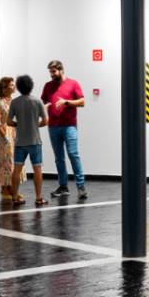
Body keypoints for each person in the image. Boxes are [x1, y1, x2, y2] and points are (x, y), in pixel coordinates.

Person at [41, 60, 88, 199]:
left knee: (73, 154)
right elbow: (44, 101)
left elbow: (82, 102)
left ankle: (81, 187)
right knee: (59, 158)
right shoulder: (48, 86)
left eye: (54, 71)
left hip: (69, 126)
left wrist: (66, 102)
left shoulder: (73, 84)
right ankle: (63, 187)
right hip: (53, 126)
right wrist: (45, 106)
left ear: (61, 70)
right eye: (50, 72)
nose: (52, 74)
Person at [8, 75, 48, 206]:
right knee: (37, 169)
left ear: (19, 87)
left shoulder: (14, 102)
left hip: (20, 142)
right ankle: (38, 198)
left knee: (17, 169)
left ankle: (14, 197)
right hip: (35, 141)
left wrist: (19, 125)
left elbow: (9, 121)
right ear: (31, 85)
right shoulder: (37, 101)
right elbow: (45, 121)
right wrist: (36, 125)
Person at [0, 76, 25, 201]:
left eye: (13, 84)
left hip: (15, 133)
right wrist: (4, 136)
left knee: (14, 161)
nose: (14, 87)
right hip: (5, 133)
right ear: (4, 88)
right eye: (11, 85)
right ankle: (6, 188)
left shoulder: (14, 101)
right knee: (6, 161)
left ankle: (11, 188)